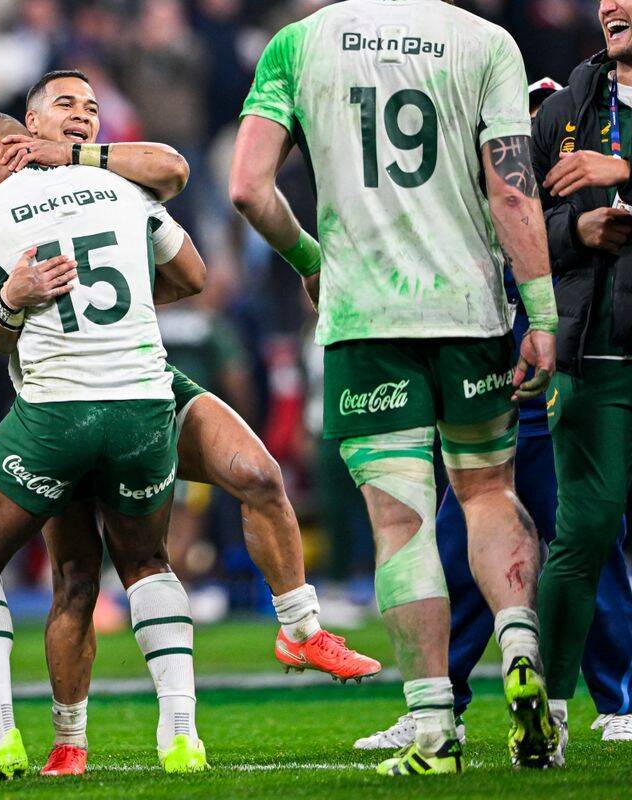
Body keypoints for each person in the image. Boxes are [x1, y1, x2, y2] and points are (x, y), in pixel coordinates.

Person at [0, 69, 379, 776]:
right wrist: (17, 305)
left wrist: (121, 304)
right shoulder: (4, 199)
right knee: (77, 576)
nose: (83, 114)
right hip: (60, 398)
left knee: (257, 474)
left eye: (91, 107)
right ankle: (69, 740)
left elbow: (190, 256)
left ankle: (300, 629)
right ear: (29, 123)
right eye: (65, 104)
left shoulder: (118, 181)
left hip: (148, 384)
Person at [231, 0, 559, 775]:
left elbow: (247, 188)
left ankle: (433, 728)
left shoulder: (299, 45)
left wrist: (311, 261)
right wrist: (542, 313)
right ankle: (519, 647)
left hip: (366, 321)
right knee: (487, 494)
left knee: (401, 523)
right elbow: (513, 191)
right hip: (470, 312)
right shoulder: (485, 42)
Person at [356, 76, 632, 753]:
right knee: (472, 543)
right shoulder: (474, 195)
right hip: (498, 373)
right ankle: (442, 700)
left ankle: (617, 696)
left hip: (558, 362)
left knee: (585, 536)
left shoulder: (566, 180)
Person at [0, 111, 208, 782]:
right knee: (147, 563)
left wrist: (8, 303)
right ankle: (182, 737)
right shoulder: (124, 187)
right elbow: (192, 274)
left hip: (60, 412)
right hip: (146, 403)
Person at [531, 0, 632, 762]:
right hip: (598, 354)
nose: (610, 5)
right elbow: (518, 230)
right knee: (584, 531)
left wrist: (626, 170)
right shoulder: (564, 112)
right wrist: (578, 228)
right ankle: (549, 712)